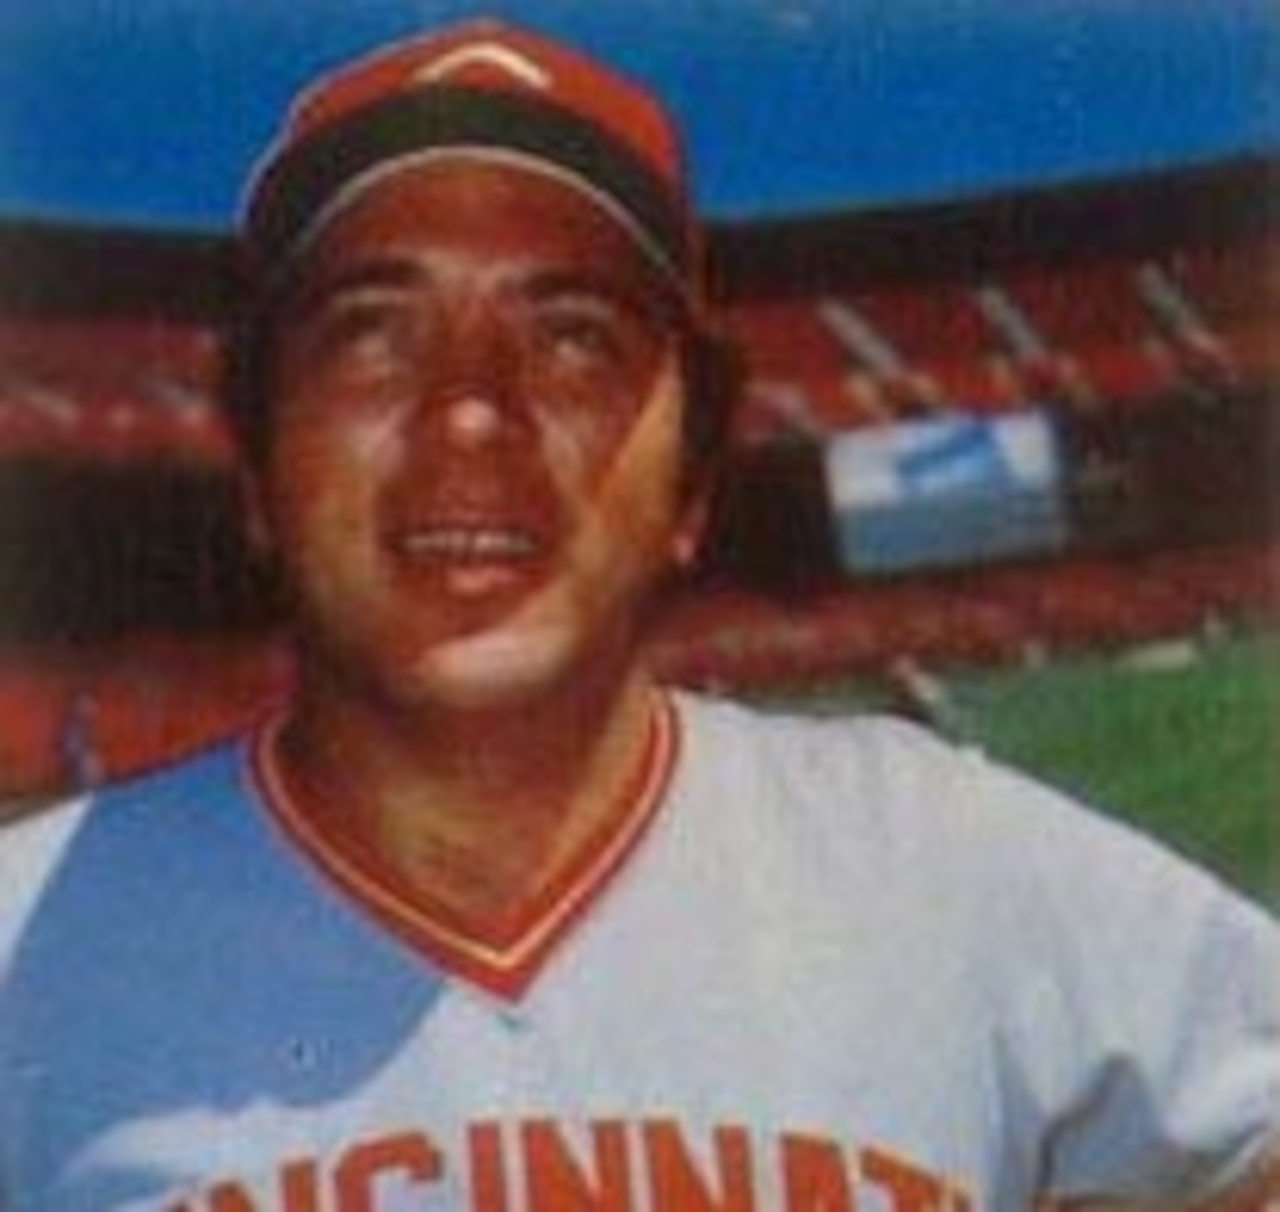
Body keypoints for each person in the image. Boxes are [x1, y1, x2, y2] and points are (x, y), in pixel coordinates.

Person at [0, 18, 1276, 1211]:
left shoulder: (943, 857)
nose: (468, 414)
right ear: (257, 472)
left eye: (574, 340)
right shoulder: (24, 942)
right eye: (369, 336)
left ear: (692, 482)